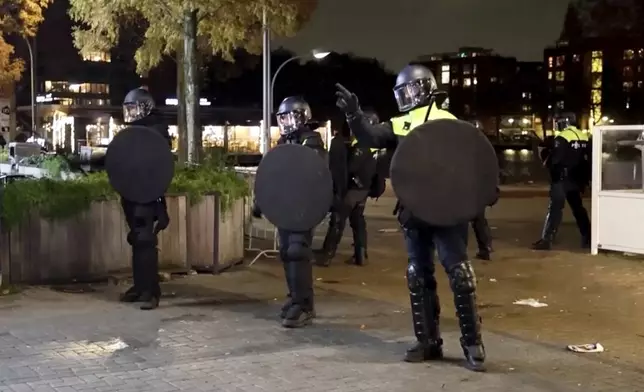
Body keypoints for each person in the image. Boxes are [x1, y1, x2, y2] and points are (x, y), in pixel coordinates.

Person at [335, 64, 486, 372]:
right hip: (415, 213)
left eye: (410, 90)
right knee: (419, 276)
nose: (405, 97)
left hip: (447, 212)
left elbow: (478, 160)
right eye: (401, 92)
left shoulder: (452, 123)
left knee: (460, 275)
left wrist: (486, 192)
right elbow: (369, 137)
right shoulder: (401, 124)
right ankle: (428, 342)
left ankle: (473, 344)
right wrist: (354, 115)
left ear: (425, 89)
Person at [252, 96, 325, 328]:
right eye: (283, 117)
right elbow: (273, 174)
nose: (286, 121)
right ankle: (296, 298)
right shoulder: (283, 143)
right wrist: (261, 201)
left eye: (291, 116)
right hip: (285, 206)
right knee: (286, 251)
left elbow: (315, 175)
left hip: (302, 207)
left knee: (297, 251)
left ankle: (303, 305)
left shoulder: (311, 143)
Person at [118, 87, 171, 310]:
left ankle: (151, 292)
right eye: (127, 108)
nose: (130, 113)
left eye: (134, 108)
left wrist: (160, 202)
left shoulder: (156, 131)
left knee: (145, 240)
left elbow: (159, 166)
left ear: (145, 108)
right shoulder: (133, 133)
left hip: (149, 195)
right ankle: (140, 287)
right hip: (132, 192)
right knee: (137, 239)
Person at [317, 111, 378, 267]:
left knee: (337, 220)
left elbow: (351, 167)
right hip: (363, 189)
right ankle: (360, 255)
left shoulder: (361, 145)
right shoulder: (372, 144)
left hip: (353, 190)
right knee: (357, 221)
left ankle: (327, 255)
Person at [532, 112, 591, 250]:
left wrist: (546, 153)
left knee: (555, 209)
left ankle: (547, 239)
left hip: (561, 179)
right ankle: (587, 236)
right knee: (578, 209)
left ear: (564, 122)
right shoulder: (584, 136)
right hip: (576, 179)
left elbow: (555, 161)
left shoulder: (562, 137)